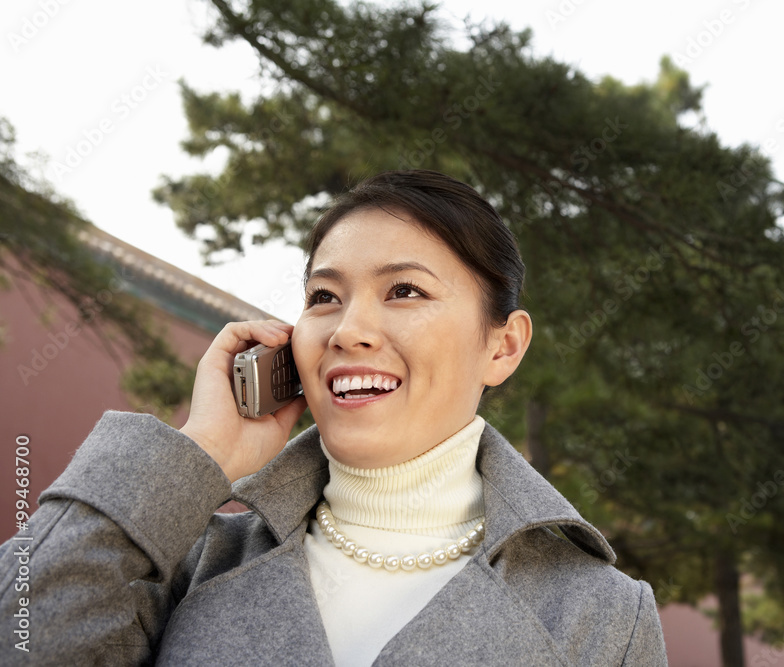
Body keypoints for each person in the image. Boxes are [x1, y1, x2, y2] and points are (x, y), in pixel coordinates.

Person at [0, 170, 668, 665]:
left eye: (404, 290)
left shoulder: (601, 613)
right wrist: (200, 450)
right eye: (324, 296)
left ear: (504, 345)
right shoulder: (184, 559)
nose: (349, 329)